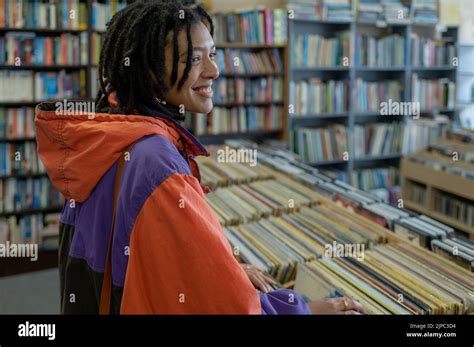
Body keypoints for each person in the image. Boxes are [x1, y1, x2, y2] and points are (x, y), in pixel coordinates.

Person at [35, 0, 365, 315]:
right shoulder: (156, 163)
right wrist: (305, 309)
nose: (214, 70)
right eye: (195, 59)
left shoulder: (108, 136)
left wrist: (220, 271)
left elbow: (145, 258)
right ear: (150, 70)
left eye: (214, 54)